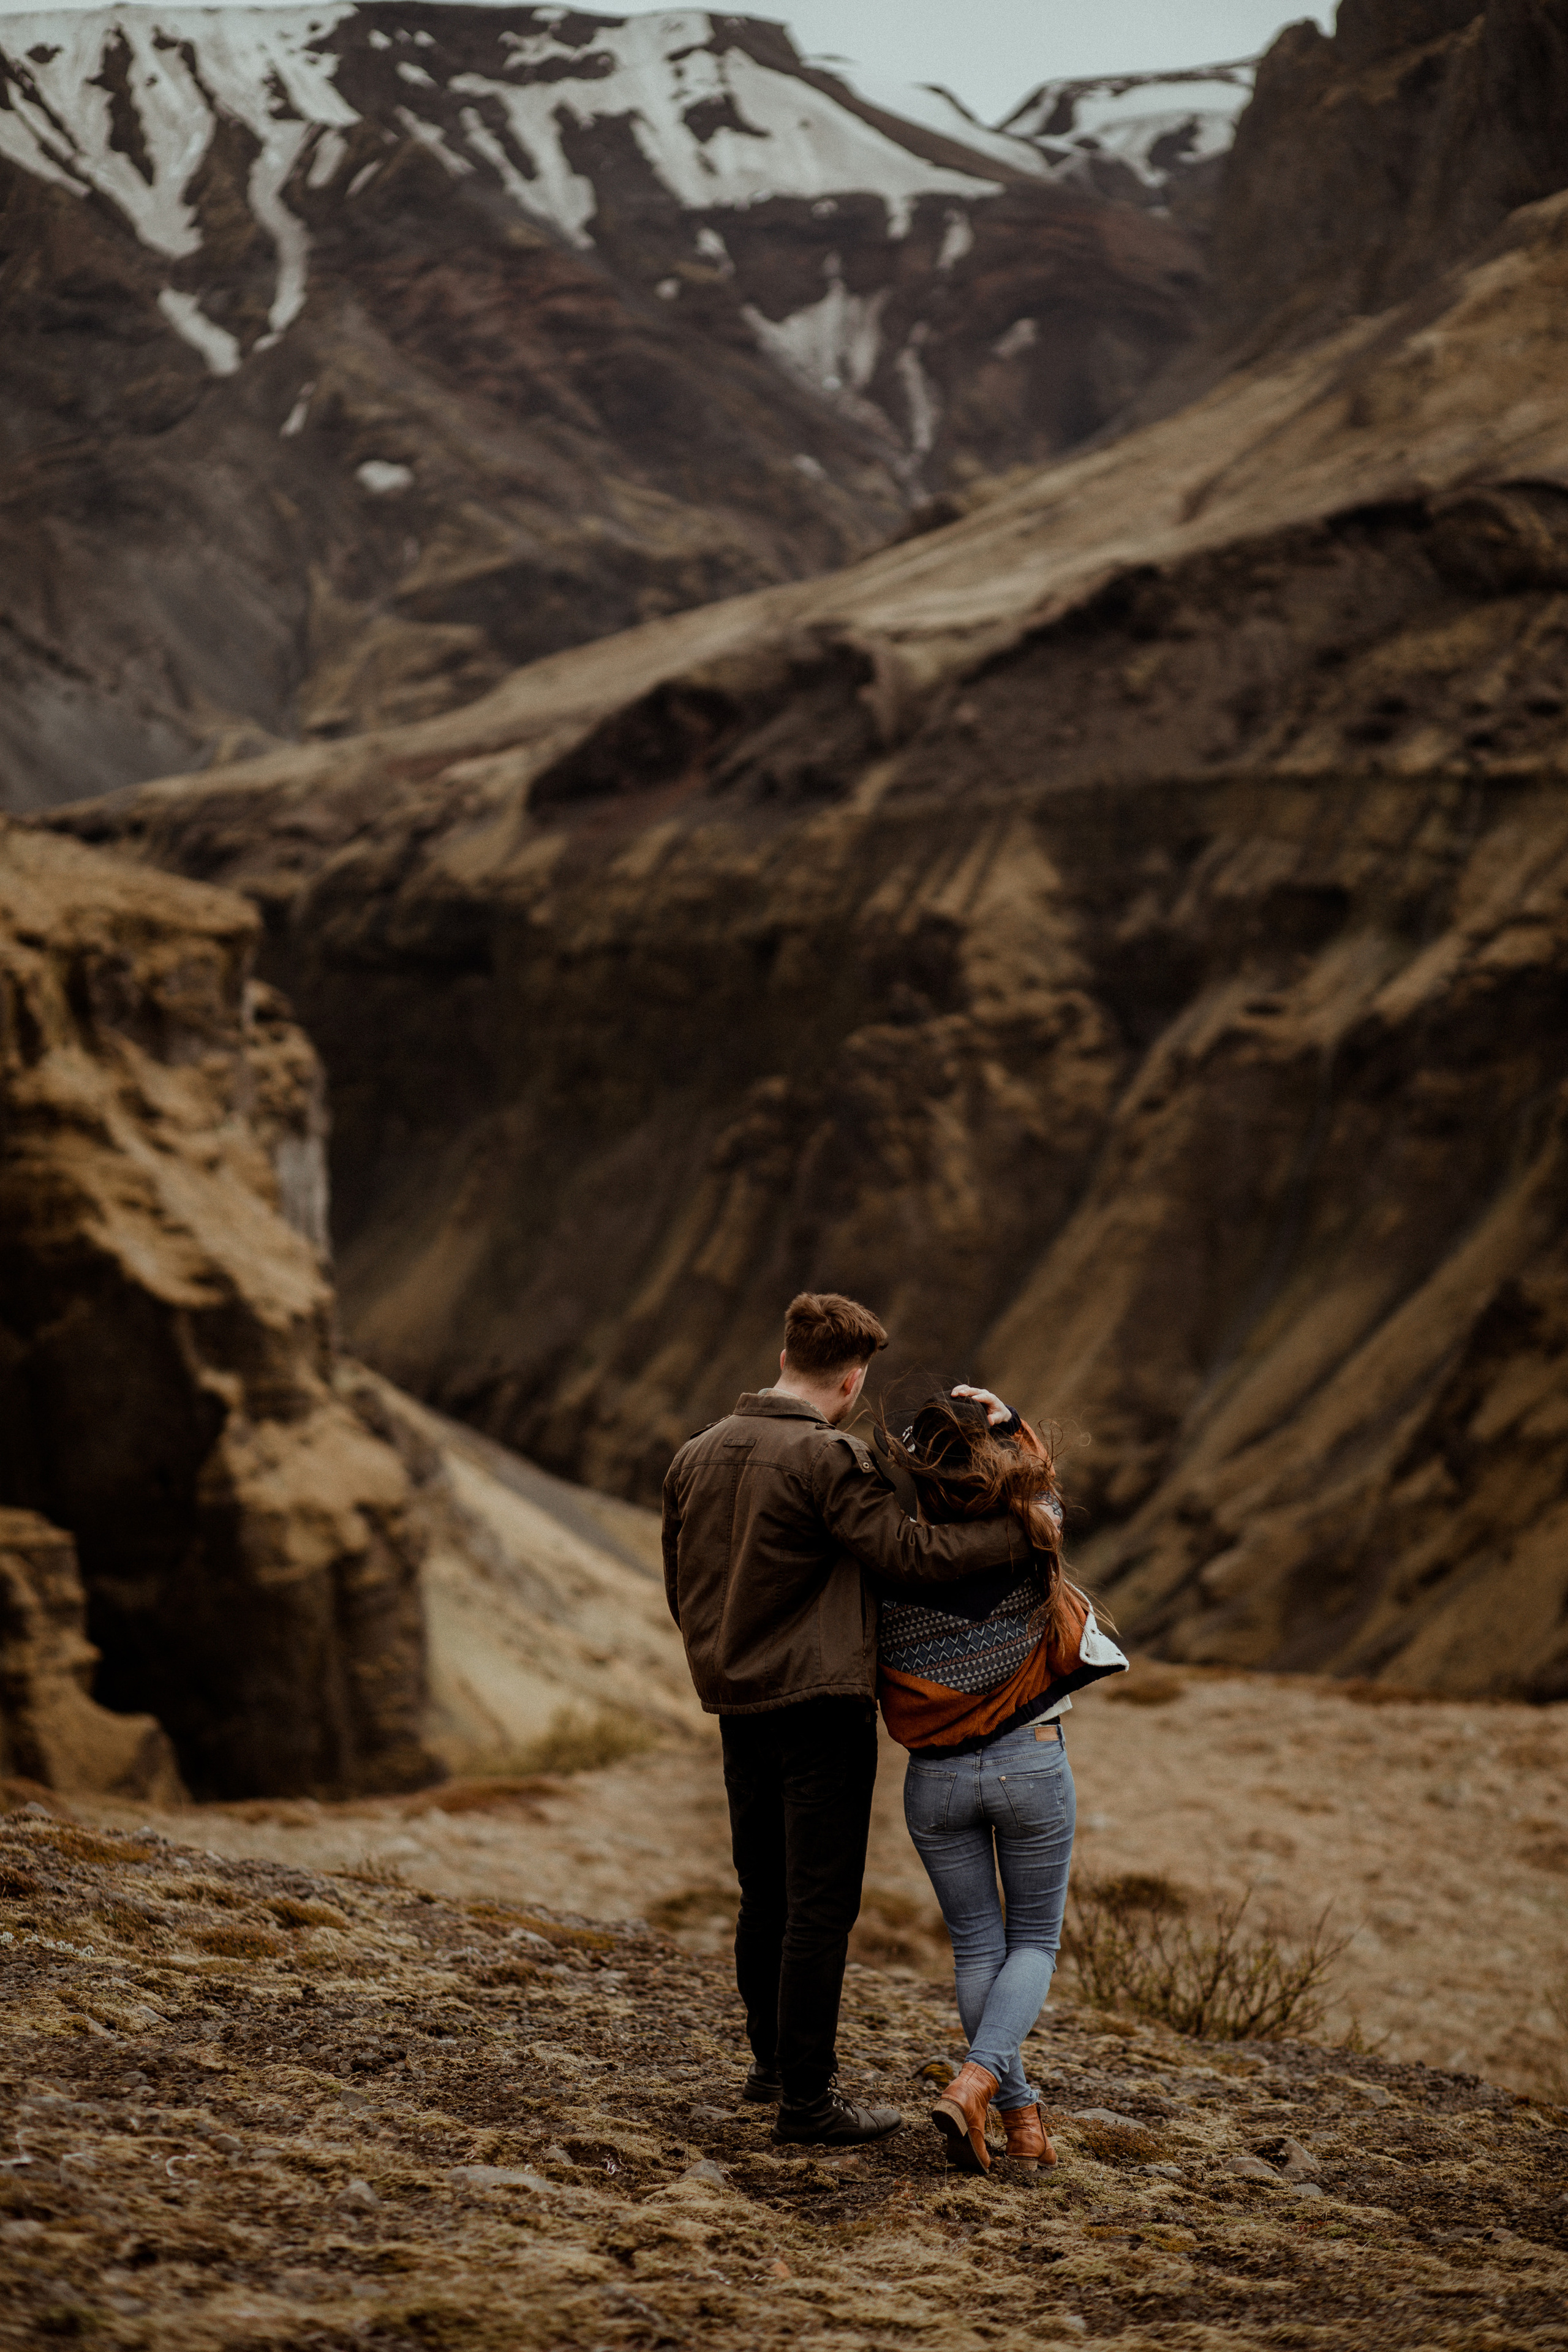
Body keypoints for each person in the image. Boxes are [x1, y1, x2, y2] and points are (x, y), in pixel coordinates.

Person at [661, 1294, 1028, 2148]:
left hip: (737, 1703)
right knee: (820, 1908)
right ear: (853, 1381)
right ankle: (808, 2104)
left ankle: (770, 2070)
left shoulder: (694, 1454)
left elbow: (683, 1585)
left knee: (765, 1896)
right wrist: (1025, 1534)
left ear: (785, 1358)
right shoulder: (827, 1459)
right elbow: (912, 1556)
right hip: (821, 1709)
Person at [873, 1385, 1128, 2174]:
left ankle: (1021, 2124)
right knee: (1036, 1943)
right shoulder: (1029, 1539)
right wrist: (1012, 1426)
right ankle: (978, 2082)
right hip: (1029, 1763)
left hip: (935, 1783)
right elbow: (1047, 1494)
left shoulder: (887, 1565)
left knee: (977, 1950)